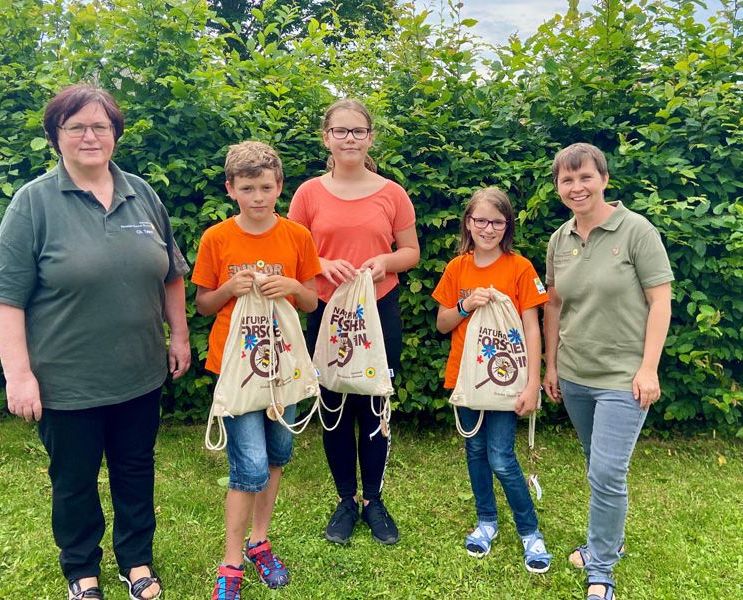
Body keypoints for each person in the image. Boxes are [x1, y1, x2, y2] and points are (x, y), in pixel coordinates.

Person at [0, 84, 190, 600]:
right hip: (67, 381)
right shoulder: (34, 202)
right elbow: (5, 297)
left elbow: (171, 273)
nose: (90, 136)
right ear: (57, 136)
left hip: (139, 373)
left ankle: (136, 562)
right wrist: (19, 374)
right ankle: (82, 571)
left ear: (115, 134)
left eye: (101, 126)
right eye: (77, 127)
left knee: (135, 471)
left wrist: (178, 334)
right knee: (74, 483)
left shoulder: (142, 192)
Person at [543, 143, 673, 600]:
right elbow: (555, 305)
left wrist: (649, 368)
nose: (576, 187)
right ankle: (609, 538)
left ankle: (602, 568)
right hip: (576, 373)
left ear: (604, 179)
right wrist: (551, 365)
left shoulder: (636, 230)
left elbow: (661, 300)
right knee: (598, 467)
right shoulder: (559, 239)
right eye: (567, 180)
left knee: (606, 472)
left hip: (623, 376)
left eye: (585, 177)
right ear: (558, 186)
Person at [192, 141, 321, 600]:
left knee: (275, 458)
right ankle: (230, 560)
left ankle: (259, 541)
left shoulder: (297, 237)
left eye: (266, 187)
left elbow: (311, 300)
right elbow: (204, 304)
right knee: (247, 466)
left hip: (282, 368)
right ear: (231, 189)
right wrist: (229, 286)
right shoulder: (217, 238)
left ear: (280, 186)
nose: (258, 197)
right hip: (236, 368)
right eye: (247, 188)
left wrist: (290, 287)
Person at [288, 99, 420, 546]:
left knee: (375, 408)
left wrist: (386, 261)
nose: (349, 139)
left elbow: (411, 253)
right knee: (335, 408)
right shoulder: (308, 193)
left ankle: (374, 501)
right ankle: (346, 499)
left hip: (378, 311)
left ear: (370, 138)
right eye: (340, 131)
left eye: (358, 131)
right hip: (327, 312)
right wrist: (322, 263)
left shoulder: (391, 193)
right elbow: (295, 254)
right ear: (326, 137)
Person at [432, 187, 552, 573]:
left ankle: (529, 530)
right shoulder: (457, 269)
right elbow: (442, 323)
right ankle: (487, 522)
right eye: (480, 220)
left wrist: (533, 382)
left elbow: (533, 328)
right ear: (468, 222)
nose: (488, 228)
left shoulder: (520, 268)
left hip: (506, 381)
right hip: (467, 381)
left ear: (507, 225)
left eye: (497, 221)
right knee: (475, 453)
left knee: (502, 457)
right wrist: (466, 304)